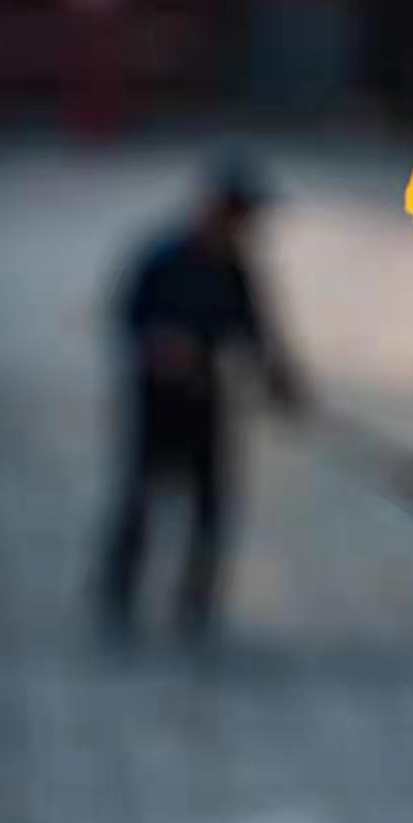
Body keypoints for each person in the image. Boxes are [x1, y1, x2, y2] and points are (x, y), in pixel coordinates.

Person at [98, 160, 301, 635]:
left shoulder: (234, 269)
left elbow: (256, 333)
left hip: (209, 402)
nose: (244, 229)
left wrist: (282, 380)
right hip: (157, 402)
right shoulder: (163, 258)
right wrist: (161, 344)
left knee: (211, 507)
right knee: (142, 498)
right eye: (241, 217)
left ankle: (195, 606)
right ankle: (118, 598)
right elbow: (127, 316)